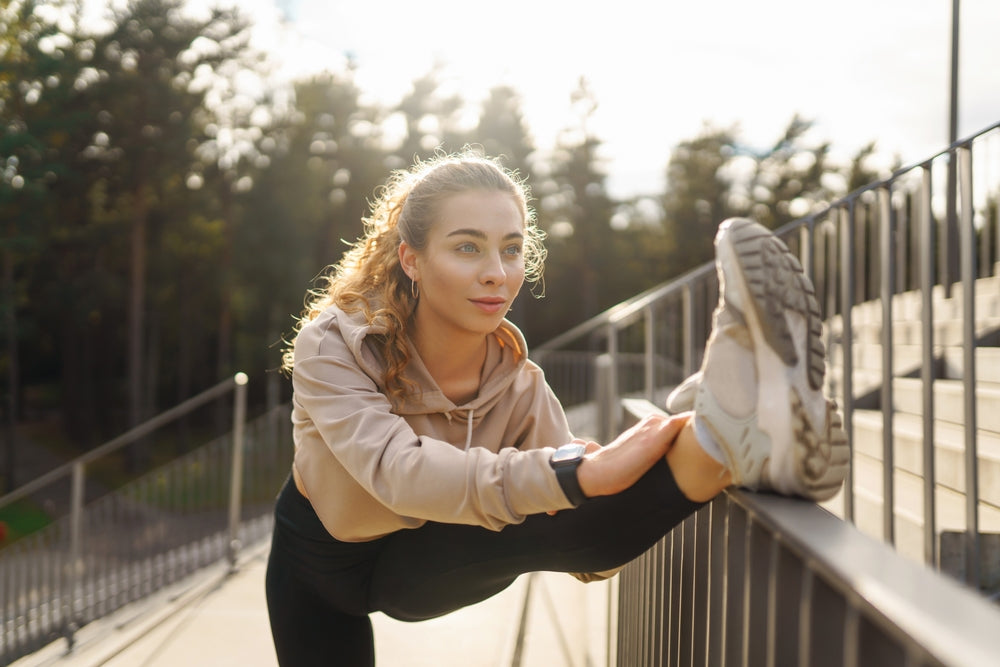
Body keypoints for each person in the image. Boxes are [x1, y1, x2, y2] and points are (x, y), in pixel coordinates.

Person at [264, 151, 849, 666]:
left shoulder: (523, 388)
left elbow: (584, 551)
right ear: (411, 259)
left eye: (511, 249)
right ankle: (730, 418)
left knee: (563, 513)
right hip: (315, 571)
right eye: (467, 246)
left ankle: (718, 437)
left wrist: (613, 482)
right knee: (568, 482)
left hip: (420, 571)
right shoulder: (336, 343)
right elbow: (396, 472)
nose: (496, 271)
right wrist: (578, 473)